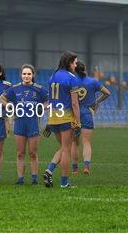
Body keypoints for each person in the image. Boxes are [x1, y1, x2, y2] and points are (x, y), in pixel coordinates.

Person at [0, 64, 48, 185]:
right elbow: (0, 99)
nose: (26, 76)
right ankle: (20, 179)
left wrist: (41, 108)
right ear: (21, 75)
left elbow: (49, 102)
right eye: (24, 74)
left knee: (33, 153)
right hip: (19, 123)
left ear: (33, 75)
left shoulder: (39, 89)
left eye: (29, 74)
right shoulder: (14, 88)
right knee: (20, 153)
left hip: (33, 124)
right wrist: (9, 105)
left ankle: (34, 179)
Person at [42, 51, 82, 188]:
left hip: (53, 118)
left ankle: (49, 170)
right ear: (69, 62)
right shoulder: (72, 78)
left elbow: (51, 100)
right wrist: (78, 122)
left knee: (64, 147)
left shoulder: (52, 77)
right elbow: (75, 104)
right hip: (66, 118)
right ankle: (64, 183)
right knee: (66, 150)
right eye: (75, 62)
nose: (76, 65)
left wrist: (48, 122)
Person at [71, 61, 110, 174]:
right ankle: (86, 166)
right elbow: (107, 93)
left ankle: (75, 169)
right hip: (87, 113)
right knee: (86, 142)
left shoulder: (72, 81)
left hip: (74, 114)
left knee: (74, 142)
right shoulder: (93, 82)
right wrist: (97, 102)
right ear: (85, 69)